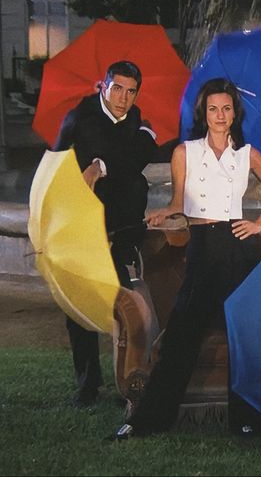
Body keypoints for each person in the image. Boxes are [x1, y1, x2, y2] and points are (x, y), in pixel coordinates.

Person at [113, 78, 261, 439]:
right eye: (213, 109)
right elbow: (180, 204)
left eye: (226, 108)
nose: (220, 115)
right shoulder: (184, 152)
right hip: (203, 247)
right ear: (203, 113)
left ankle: (248, 421)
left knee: (247, 335)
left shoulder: (248, 153)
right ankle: (147, 422)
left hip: (238, 248)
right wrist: (165, 214)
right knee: (179, 338)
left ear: (234, 112)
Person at [53, 60, 157, 408]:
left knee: (126, 304)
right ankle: (87, 383)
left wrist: (102, 164)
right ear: (103, 86)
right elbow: (59, 166)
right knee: (79, 306)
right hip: (83, 223)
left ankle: (129, 380)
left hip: (122, 228)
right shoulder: (79, 119)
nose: (123, 98)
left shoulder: (136, 119)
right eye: (117, 88)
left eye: (130, 91)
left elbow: (137, 160)